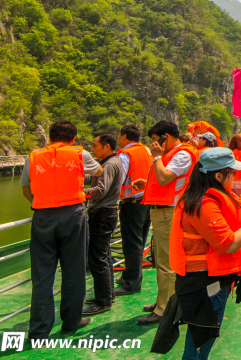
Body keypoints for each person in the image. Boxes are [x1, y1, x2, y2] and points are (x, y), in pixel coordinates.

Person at [165, 148, 241, 360]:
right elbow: (227, 243)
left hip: (211, 278)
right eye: (232, 172)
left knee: (201, 336)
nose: (235, 176)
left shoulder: (214, 195)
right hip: (204, 282)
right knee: (200, 340)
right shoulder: (204, 202)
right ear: (219, 175)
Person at [20, 121, 102, 339]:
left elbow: (26, 189)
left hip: (42, 216)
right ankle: (71, 322)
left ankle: (39, 330)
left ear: (49, 137)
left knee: (42, 275)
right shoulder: (80, 153)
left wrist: (39, 202)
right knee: (74, 271)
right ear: (73, 138)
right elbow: (99, 170)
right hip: (73, 215)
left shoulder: (33, 156)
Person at [135, 121, 198, 325]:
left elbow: (164, 178)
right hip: (162, 211)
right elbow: (165, 180)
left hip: (168, 212)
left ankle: (165, 309)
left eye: (156, 140)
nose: (154, 145)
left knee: (167, 263)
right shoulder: (172, 155)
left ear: (166, 137)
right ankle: (162, 301)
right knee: (162, 260)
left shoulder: (181, 154)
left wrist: (156, 157)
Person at [83, 131, 125, 316]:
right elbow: (95, 180)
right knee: (104, 255)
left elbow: (100, 189)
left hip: (102, 214)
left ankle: (103, 301)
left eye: (94, 145)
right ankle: (107, 294)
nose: (92, 149)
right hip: (108, 213)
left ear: (106, 146)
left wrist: (80, 193)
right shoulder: (112, 162)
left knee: (98, 258)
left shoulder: (108, 165)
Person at [115, 124, 152, 299]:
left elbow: (119, 179)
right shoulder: (146, 150)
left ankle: (132, 283)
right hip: (147, 201)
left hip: (132, 202)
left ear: (124, 137)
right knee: (140, 241)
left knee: (131, 243)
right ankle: (129, 276)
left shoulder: (125, 154)